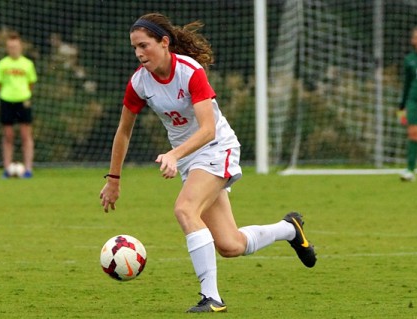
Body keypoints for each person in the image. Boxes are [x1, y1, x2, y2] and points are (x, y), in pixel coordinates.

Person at [99, 13, 317, 313]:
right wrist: (113, 179)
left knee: (185, 210)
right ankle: (289, 229)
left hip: (217, 148)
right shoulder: (138, 82)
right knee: (230, 245)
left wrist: (174, 155)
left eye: (144, 45)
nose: (139, 53)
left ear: (164, 42)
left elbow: (207, 129)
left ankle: (211, 297)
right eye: (134, 47)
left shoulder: (190, 71)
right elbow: (123, 131)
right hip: (191, 160)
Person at [0, 32, 37, 178]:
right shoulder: (2, 64)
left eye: (15, 47)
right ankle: (6, 168)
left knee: (26, 135)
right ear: (7, 48)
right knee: (8, 135)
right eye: (10, 47)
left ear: (20, 47)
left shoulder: (27, 64)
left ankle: (28, 169)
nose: (13, 49)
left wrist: (22, 94)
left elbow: (31, 84)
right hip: (6, 101)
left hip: (23, 101)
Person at [399, 26, 417, 182]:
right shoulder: (410, 60)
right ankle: (410, 170)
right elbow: (406, 84)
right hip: (413, 101)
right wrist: (402, 106)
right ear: (413, 40)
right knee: (414, 133)